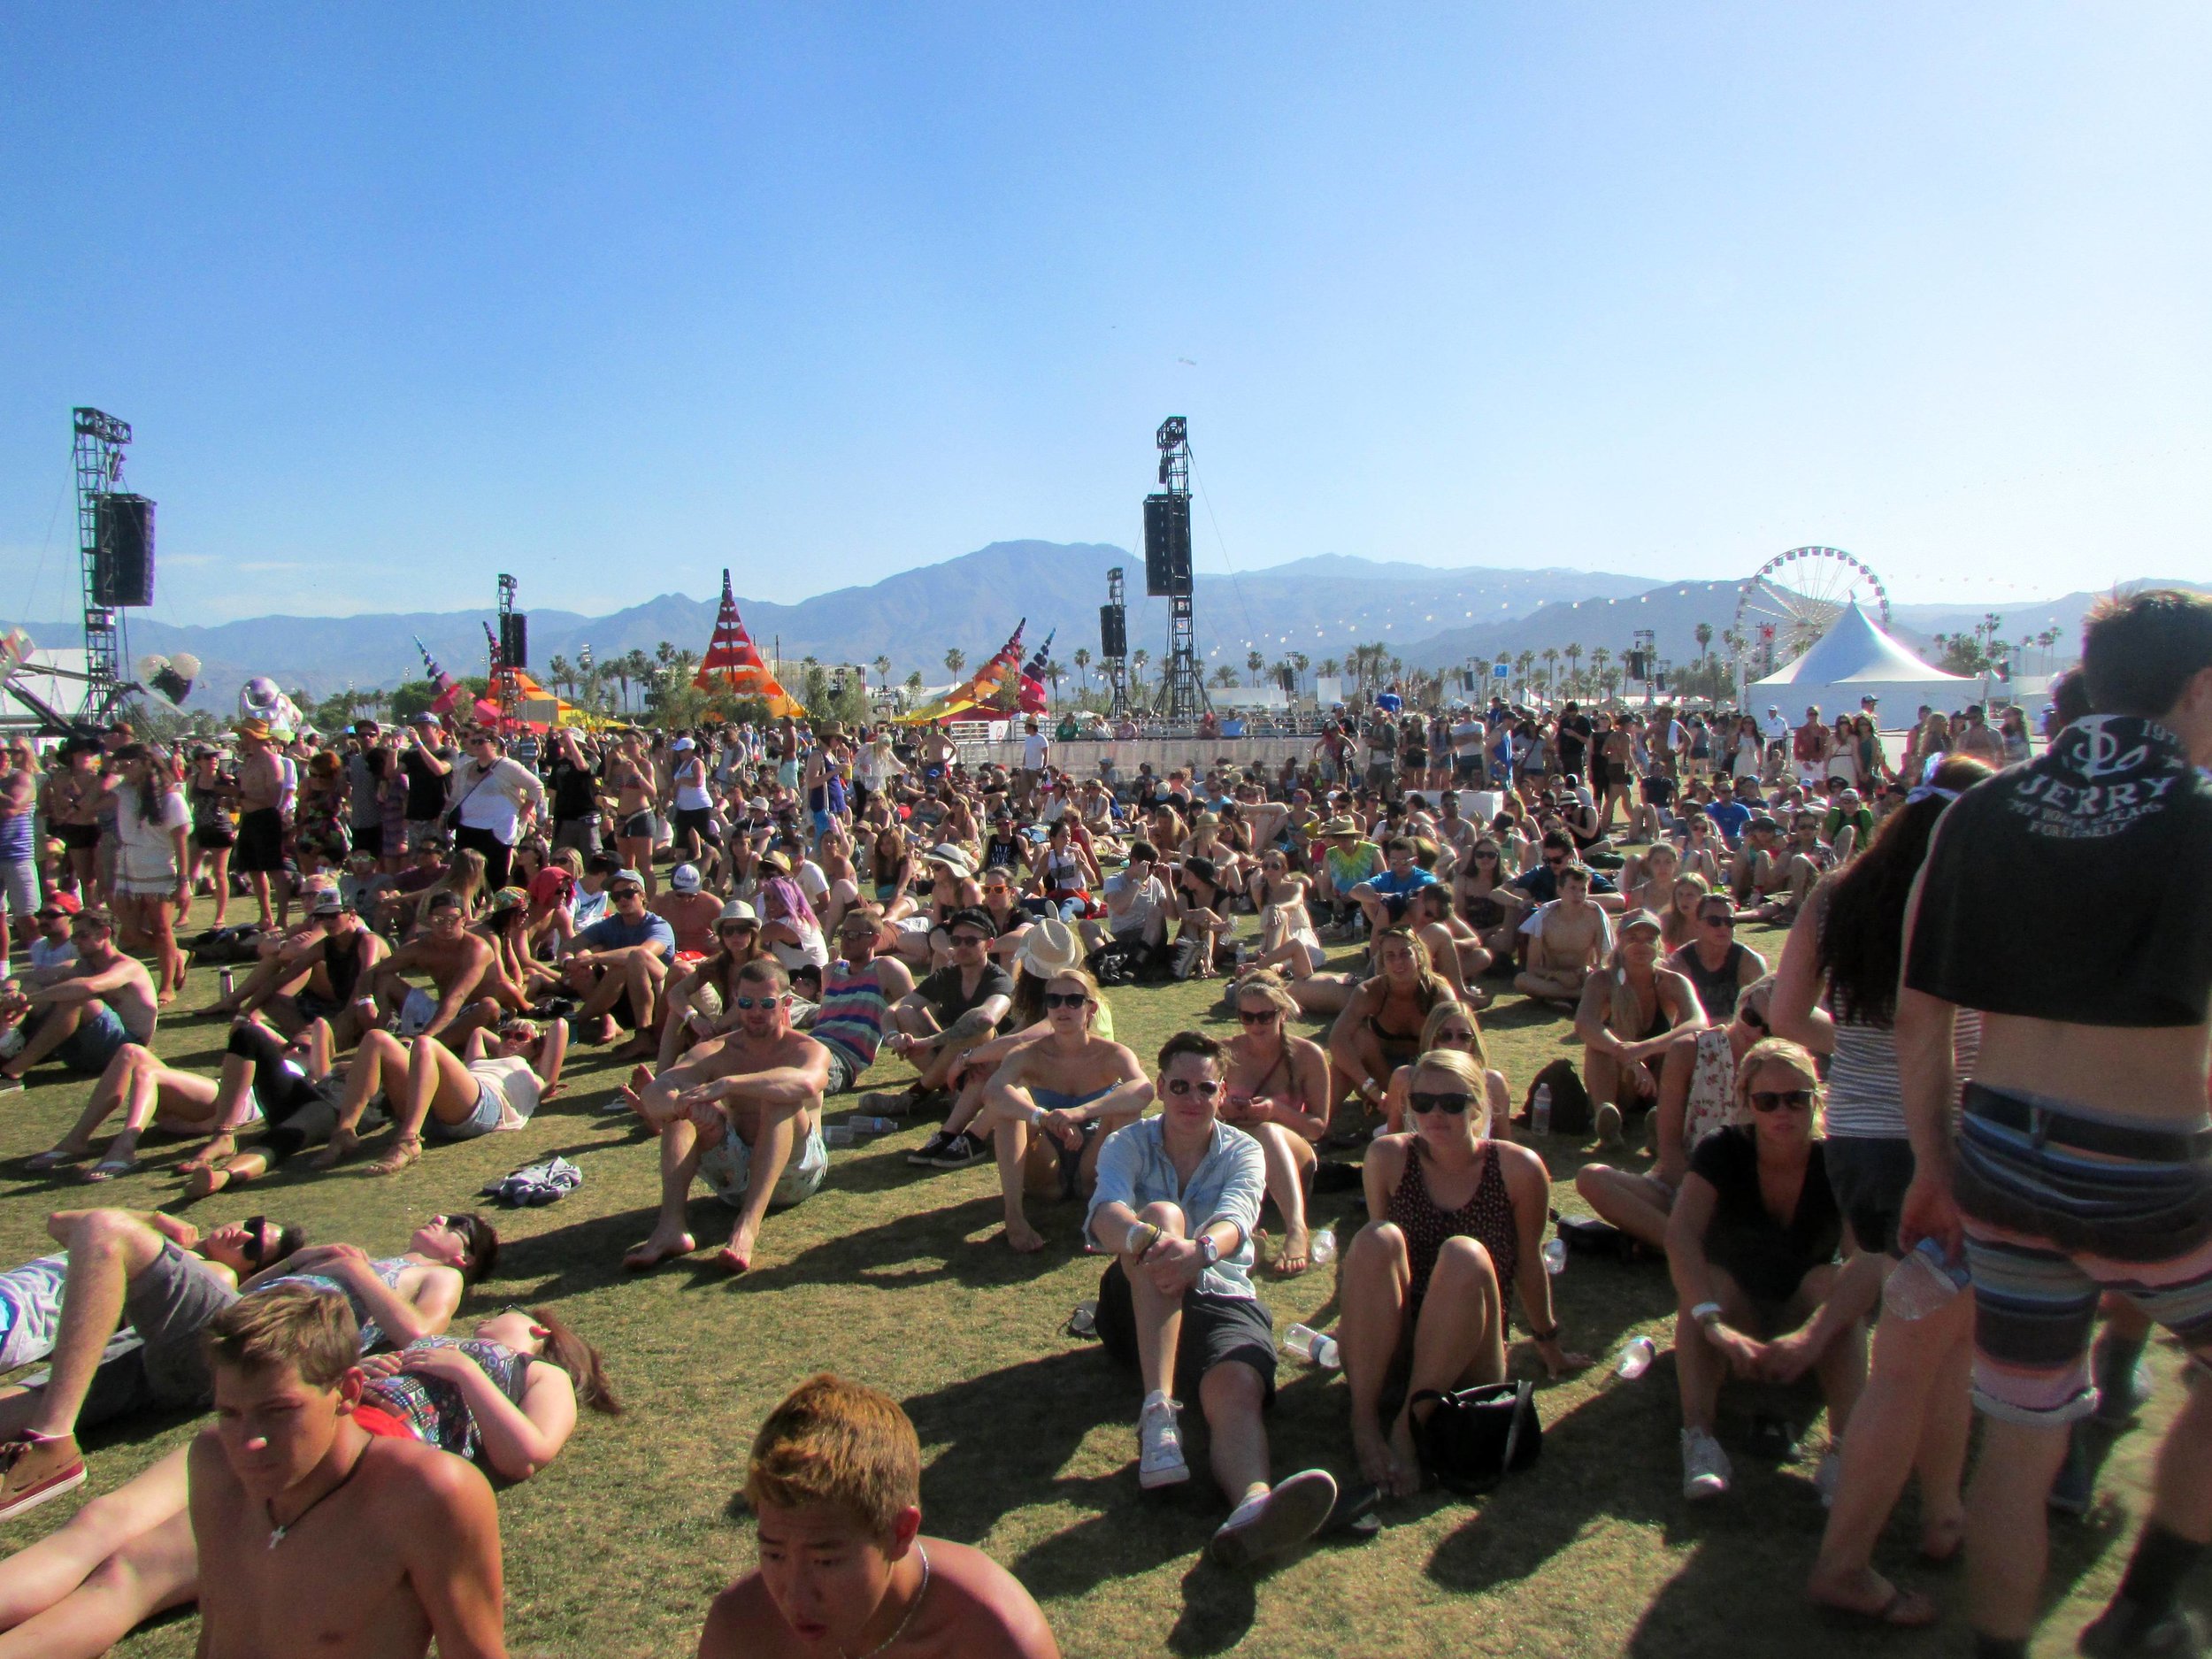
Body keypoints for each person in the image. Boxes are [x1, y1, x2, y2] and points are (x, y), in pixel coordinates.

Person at [1896, 591, 2212, 1658]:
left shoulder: (1981, 815)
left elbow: (1919, 1012)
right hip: (2144, 1170)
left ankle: (1997, 1648)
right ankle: (2140, 1607)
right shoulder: (2203, 815)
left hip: (1997, 1159)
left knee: (2022, 1436)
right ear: (2196, 689)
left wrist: (1933, 1166)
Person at [0, 1300, 614, 1659]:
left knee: (132, 1569)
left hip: (375, 1437)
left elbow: (527, 1452)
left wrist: (462, 1370)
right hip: (328, 1401)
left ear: (540, 1329)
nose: (485, 1322)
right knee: (102, 1520)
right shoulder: (224, 1447)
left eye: (502, 1313)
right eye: (229, 1411)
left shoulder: (528, 1369)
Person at [1770, 757, 1993, 1626]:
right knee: (1919, 1360)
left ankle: (1940, 1510)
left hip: (1857, 1144)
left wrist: (1855, 1046)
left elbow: (1787, 1019)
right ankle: (1849, 1559)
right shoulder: (1969, 901)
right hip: (1940, 1147)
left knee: (1926, 1343)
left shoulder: (1838, 895)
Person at [1085, 1031, 1339, 1564]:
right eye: (1180, 1086)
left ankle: (1253, 1505)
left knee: (1237, 1387)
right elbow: (1105, 1214)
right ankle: (1158, 1415)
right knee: (1161, 1216)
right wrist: (1149, 1241)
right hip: (1135, 1297)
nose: (1192, 1099)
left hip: (1221, 1291)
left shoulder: (1244, 1149)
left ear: (1222, 1092)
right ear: (1159, 1087)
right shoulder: (1126, 1143)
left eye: (1205, 1087)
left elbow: (1238, 1218)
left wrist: (1198, 1253)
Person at [188, 1288, 508, 1658]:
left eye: (277, 1411)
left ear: (348, 1391)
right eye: (229, 1414)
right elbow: (216, 1627)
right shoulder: (214, 1465)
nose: (249, 1442)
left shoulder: (427, 1494)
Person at [1339, 1048, 1584, 1497]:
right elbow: (1376, 1270)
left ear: (1477, 1106)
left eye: (1452, 1103)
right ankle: (1363, 1421)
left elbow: (1529, 1261)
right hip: (1402, 1339)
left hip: (1471, 1348)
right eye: (1423, 1102)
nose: (1437, 1114)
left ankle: (1408, 1430)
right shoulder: (1388, 1157)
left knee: (1465, 1255)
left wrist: (1549, 1343)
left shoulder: (1517, 1168)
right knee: (1376, 1238)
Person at [699, 1372, 1061, 1659]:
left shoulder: (993, 1636)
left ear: (900, 1532)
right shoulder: (741, 1628)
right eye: (774, 1554)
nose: (795, 1598)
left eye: (825, 1561)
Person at [0, 1210, 308, 1518]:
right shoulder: (150, 1245)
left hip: (211, 1336)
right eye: (252, 1226)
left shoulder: (216, 1276)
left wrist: (295, 1263)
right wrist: (155, 1219)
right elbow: (57, 1221)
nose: (244, 1235)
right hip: (139, 1349)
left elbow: (104, 1230)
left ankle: (53, 1441)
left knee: (105, 1227)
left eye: (252, 1249)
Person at [1667, 1037, 1869, 1504]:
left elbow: (1863, 1258)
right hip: (1736, 1310)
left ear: (1816, 1100)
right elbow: (1681, 1236)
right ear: (1746, 1104)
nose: (1784, 1112)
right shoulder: (1722, 1151)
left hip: (1801, 1315)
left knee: (1832, 1283)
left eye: (1797, 1098)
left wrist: (1814, 1335)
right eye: (1768, 1100)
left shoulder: (1836, 1160)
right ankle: (1699, 1440)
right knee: (1705, 1285)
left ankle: (1844, 1451)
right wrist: (1713, 1324)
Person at [623, 958, 832, 1276]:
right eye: (746, 1002)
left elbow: (806, 1082)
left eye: (766, 1003)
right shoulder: (717, 1051)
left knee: (779, 1095)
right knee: (685, 1104)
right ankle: (671, 1229)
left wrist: (729, 1083)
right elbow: (656, 1093)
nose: (755, 1011)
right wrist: (681, 1106)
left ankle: (747, 1228)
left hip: (797, 1174)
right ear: (735, 1000)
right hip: (736, 1176)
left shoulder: (807, 1049)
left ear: (786, 1003)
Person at [1572, 975, 1773, 1250]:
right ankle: (1692, 1250)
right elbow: (1668, 1148)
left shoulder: (1779, 1069)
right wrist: (1699, 1198)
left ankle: (1669, 1241)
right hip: (1680, 1182)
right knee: (1591, 1178)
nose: (1756, 1032)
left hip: (1741, 1197)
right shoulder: (1690, 1049)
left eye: (1770, 1030)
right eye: (1751, 1016)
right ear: (1741, 1004)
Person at [977, 969, 1151, 1254]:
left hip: (1095, 1164)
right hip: (1045, 1159)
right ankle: (1014, 1216)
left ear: (1090, 1008)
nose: (1062, 1008)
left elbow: (1144, 1090)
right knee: (1011, 1104)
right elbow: (992, 1093)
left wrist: (1080, 1113)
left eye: (1073, 1000)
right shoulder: (1028, 1053)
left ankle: (1118, 1208)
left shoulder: (1112, 1053)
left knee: (1126, 1108)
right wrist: (1042, 1117)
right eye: (1054, 1000)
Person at [322, 1018, 567, 1176]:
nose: (511, 1039)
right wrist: (512, 1037)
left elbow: (560, 1027)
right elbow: (479, 1031)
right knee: (376, 1037)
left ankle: (408, 1140)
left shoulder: (537, 1076)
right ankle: (345, 1132)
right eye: (505, 1034)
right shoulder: (479, 1062)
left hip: (486, 1105)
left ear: (537, 1048)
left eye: (520, 1037)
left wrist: (535, 1034)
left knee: (426, 1044)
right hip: (439, 1105)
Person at [1220, 972, 1330, 1274]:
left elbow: (1318, 1127)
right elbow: (1200, 1109)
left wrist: (1275, 1111)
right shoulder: (1225, 1051)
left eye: (1265, 1016)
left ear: (1282, 1013)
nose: (1256, 1025)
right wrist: (1223, 1109)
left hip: (1292, 1157)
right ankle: (1248, 1235)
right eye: (1247, 1017)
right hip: (1238, 1156)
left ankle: (1296, 1229)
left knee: (1266, 1132)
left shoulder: (1308, 1055)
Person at [1572, 910, 1705, 1145]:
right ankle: (1606, 1116)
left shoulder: (1673, 982)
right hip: (1621, 1082)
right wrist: (1627, 1056)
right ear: (1620, 941)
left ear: (1659, 944)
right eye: (1633, 938)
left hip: (1660, 1078)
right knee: (1598, 1048)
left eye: (1649, 939)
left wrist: (1643, 1049)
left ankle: (1662, 1121)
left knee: (1680, 1049)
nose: (1641, 945)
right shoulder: (1602, 980)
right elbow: (1585, 1024)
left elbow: (1698, 1023)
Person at [0, 908, 157, 1092]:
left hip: (123, 1051)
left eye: (82, 936)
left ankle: (12, 1074)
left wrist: (29, 1000)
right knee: (31, 987)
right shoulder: (81, 965)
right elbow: (21, 976)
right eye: (74, 937)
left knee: (78, 999)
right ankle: (8, 1045)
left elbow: (88, 987)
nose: (76, 943)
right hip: (83, 1053)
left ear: (105, 933)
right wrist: (12, 993)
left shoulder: (128, 967)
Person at [1326, 927, 1457, 1120]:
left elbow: (1459, 1042)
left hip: (1425, 1075)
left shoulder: (1438, 993)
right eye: (1390, 956)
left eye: (1405, 954)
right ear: (1382, 962)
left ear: (1419, 956)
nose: (1398, 962)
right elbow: (1337, 1039)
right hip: (1381, 1074)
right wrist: (1371, 1088)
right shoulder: (1370, 992)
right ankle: (1322, 1125)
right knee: (1357, 1040)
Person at [557, 869, 675, 1054]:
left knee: (625, 964)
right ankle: (607, 1020)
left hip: (654, 1001)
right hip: (620, 999)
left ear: (642, 895)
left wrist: (594, 957)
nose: (622, 900)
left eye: (628, 893)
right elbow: (569, 946)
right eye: (616, 896)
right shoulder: (611, 924)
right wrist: (570, 962)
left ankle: (578, 1021)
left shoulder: (659, 926)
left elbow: (643, 954)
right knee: (583, 959)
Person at [366, 890, 500, 1043]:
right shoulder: (421, 947)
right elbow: (377, 971)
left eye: (453, 919)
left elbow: (459, 995)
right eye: (439, 920)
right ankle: (387, 1029)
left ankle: (430, 1045)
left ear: (463, 920)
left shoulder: (476, 948)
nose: (446, 925)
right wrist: (368, 1004)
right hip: (439, 1010)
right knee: (385, 979)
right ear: (429, 921)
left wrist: (427, 1035)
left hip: (471, 1012)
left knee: (490, 1006)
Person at [445, 727, 545, 892]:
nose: (475, 745)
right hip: (466, 828)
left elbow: (536, 787)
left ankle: (495, 913)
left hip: (496, 831)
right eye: (473, 741)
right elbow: (455, 797)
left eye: (480, 741)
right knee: (466, 878)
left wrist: (525, 812)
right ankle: (471, 913)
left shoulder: (506, 766)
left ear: (493, 744)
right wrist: (445, 815)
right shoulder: (466, 768)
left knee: (494, 879)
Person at [1510, 862, 1610, 1006]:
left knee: (1607, 980)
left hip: (1582, 978)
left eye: (1583, 890)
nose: (1578, 895)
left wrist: (1588, 972)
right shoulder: (1543, 918)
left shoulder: (1595, 917)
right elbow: (1532, 968)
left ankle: (1563, 997)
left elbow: (1603, 961)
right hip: (1553, 979)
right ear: (1560, 890)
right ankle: (1578, 996)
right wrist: (1557, 975)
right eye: (1573, 888)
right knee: (1521, 980)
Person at [1668, 892, 1766, 1022]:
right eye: (1714, 921)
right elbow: (1674, 1020)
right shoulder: (1678, 963)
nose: (1723, 927)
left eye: (1729, 922)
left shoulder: (1750, 962)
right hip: (1693, 1037)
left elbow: (1762, 1015)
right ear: (1697, 923)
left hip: (1737, 1037)